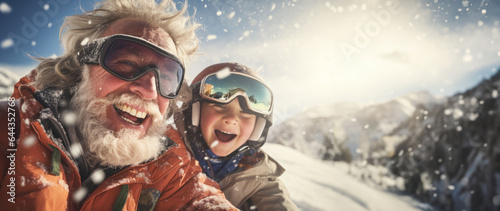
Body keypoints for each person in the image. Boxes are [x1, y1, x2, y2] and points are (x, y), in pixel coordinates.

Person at [0, 0, 238, 210]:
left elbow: (201, 201)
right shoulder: (11, 129)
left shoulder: (170, 165)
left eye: (166, 78)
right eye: (125, 62)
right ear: (81, 67)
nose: (148, 90)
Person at [175, 62, 298, 210]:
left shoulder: (257, 176)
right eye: (220, 106)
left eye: (245, 113)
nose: (232, 119)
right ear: (195, 112)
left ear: (257, 128)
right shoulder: (164, 153)